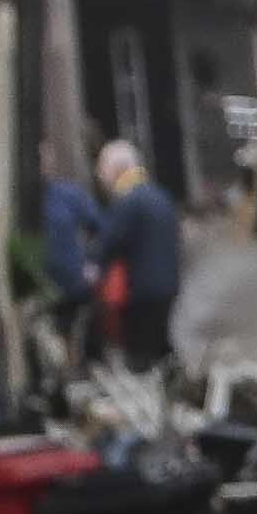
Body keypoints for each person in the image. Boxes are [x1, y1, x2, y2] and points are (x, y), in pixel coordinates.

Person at [90, 137, 186, 369]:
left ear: (116, 171)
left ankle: (151, 399)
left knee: (141, 358)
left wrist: (93, 268)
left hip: (140, 292)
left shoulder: (127, 201)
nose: (103, 182)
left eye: (103, 174)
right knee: (161, 348)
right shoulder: (160, 196)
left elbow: (109, 243)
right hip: (168, 287)